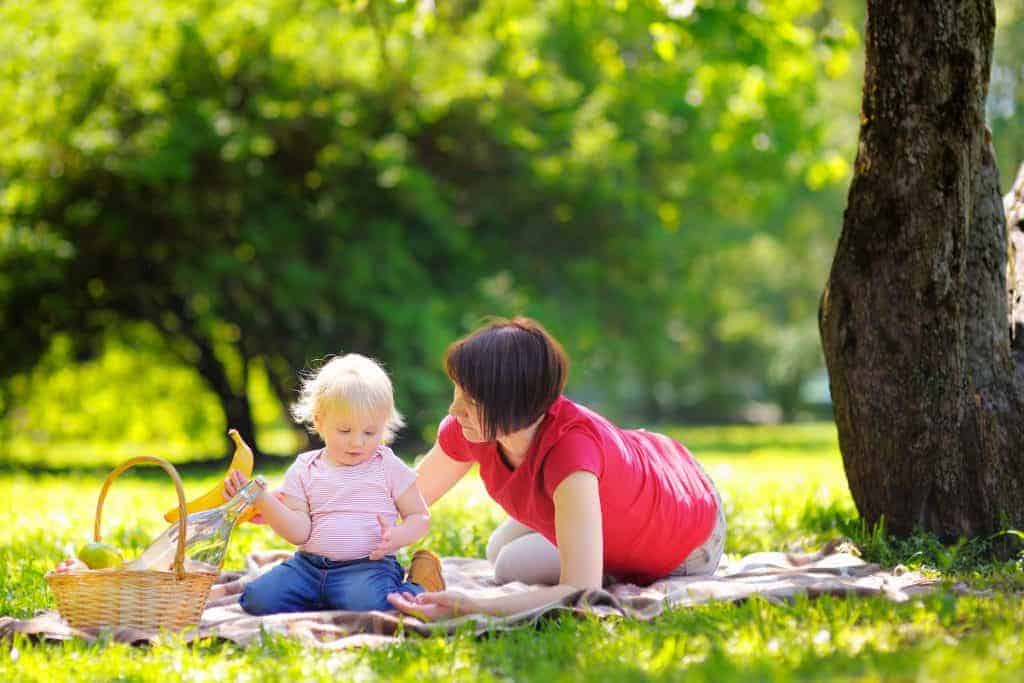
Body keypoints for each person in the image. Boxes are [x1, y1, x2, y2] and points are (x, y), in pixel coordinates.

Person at [387, 317, 726, 620]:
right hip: (656, 466)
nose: (454, 408)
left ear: (515, 406)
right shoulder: (473, 428)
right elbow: (408, 499)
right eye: (458, 391)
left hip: (688, 532)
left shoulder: (571, 456)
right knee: (497, 547)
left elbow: (580, 590)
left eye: (471, 401)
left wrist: (473, 605)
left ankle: (610, 560)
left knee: (509, 564)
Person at [224, 353, 444, 615]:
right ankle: (326, 597)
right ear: (319, 421)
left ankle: (422, 585)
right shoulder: (305, 469)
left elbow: (419, 515)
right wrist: (261, 498)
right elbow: (299, 533)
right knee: (256, 599)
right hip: (308, 568)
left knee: (371, 605)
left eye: (369, 432)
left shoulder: (388, 466)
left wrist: (399, 535)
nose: (357, 442)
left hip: (366, 567)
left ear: (383, 425)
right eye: (345, 431)